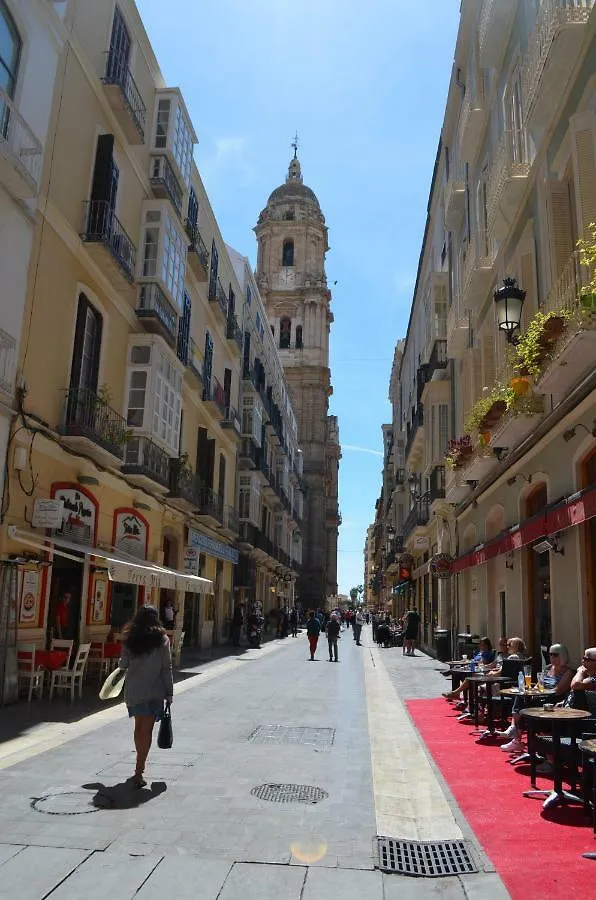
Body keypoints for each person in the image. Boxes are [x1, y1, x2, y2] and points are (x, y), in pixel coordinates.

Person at [118, 605, 173, 788]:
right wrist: (169, 692)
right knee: (146, 731)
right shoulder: (163, 639)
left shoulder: (130, 639)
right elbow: (166, 668)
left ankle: (138, 767)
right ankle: (139, 771)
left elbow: (123, 664)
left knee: (138, 728)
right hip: (154, 690)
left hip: (134, 690)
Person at [499, 642, 573, 754]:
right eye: (550, 654)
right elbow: (539, 684)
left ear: (562, 655)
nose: (551, 657)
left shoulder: (568, 672)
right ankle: (514, 730)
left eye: (555, 655)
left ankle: (516, 736)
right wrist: (533, 690)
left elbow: (558, 691)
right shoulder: (548, 668)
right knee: (521, 695)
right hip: (541, 697)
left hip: (552, 701)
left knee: (524, 707)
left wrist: (540, 691)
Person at [443, 637, 523, 707]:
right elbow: (499, 668)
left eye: (509, 645)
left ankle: (472, 707)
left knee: (473, 681)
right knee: (470, 679)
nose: (507, 647)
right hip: (500, 678)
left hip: (501, 682)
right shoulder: (511, 656)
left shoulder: (513, 657)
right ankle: (468, 703)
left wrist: (492, 674)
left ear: (516, 647)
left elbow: (504, 671)